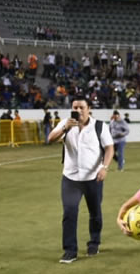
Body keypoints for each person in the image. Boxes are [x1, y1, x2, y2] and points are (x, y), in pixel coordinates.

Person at [47, 96, 115, 263]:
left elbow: (109, 148)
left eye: (81, 107)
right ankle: (70, 250)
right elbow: (50, 139)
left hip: (93, 178)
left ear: (88, 108)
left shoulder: (99, 126)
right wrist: (65, 128)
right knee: (69, 212)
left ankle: (94, 242)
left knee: (95, 213)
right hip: (71, 178)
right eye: (75, 107)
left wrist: (104, 168)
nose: (77, 111)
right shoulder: (66, 123)